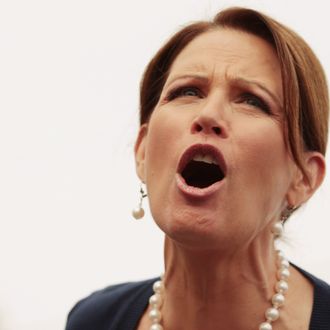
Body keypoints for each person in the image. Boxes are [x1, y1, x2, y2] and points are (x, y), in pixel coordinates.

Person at [65, 7, 330, 330]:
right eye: (187, 92)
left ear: (303, 177)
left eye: (252, 100)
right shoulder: (94, 321)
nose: (209, 114)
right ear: (143, 151)